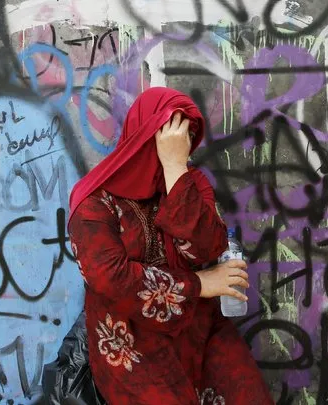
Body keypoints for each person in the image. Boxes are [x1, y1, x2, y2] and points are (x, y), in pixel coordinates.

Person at [67, 87, 274, 405]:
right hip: (131, 337)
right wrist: (200, 284)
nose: (182, 144)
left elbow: (205, 248)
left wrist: (175, 170)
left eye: (188, 135)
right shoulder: (95, 200)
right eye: (170, 133)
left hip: (198, 329)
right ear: (144, 133)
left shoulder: (190, 182)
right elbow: (110, 278)